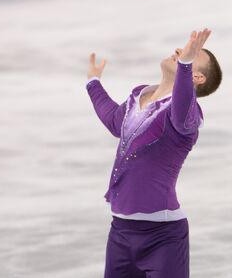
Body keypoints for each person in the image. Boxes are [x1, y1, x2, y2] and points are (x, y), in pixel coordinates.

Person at [86, 28, 222, 278]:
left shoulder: (188, 115)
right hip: (120, 232)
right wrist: (93, 83)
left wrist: (185, 63)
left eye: (194, 55)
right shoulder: (140, 94)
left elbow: (181, 108)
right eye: (185, 50)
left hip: (163, 237)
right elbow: (115, 121)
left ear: (198, 77)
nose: (182, 51)